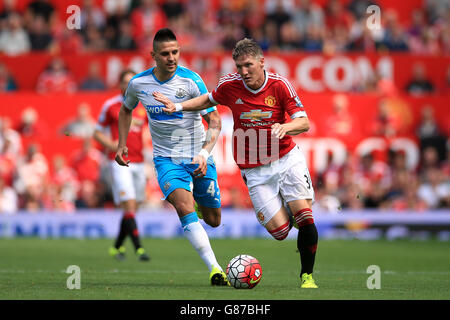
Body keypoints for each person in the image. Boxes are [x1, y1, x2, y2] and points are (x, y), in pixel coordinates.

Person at [154, 38, 319, 288]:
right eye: (239, 66)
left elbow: (304, 122)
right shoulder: (230, 86)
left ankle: (307, 276)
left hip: (286, 160)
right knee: (280, 233)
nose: (243, 72)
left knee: (305, 217)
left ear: (262, 62)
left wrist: (285, 126)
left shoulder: (280, 86)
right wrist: (177, 105)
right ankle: (291, 211)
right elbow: (207, 100)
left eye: (248, 65)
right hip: (255, 171)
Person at [115, 28, 228, 285]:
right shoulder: (139, 83)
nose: (171, 57)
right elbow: (125, 110)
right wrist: (122, 144)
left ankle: (198, 204)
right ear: (153, 55)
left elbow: (215, 121)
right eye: (165, 53)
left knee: (213, 219)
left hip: (198, 156)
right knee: (183, 207)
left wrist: (203, 153)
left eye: (175, 52)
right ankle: (215, 269)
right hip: (166, 159)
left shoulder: (191, 81)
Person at [93, 69, 150, 262]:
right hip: (119, 162)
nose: (130, 85)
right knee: (129, 204)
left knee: (134, 207)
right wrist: (115, 146)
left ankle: (116, 247)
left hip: (140, 162)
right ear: (120, 84)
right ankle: (140, 249)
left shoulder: (143, 106)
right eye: (126, 81)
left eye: (133, 81)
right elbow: (97, 132)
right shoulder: (111, 105)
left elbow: (146, 132)